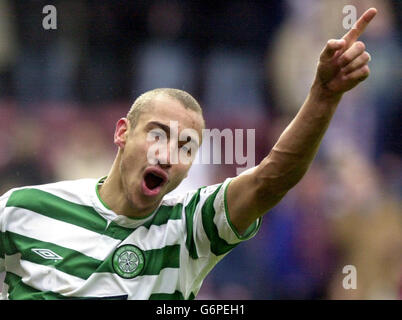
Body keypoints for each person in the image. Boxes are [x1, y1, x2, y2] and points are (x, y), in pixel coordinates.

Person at [0, 9, 377, 300]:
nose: (167, 155)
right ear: (121, 133)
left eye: (185, 147)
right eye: (157, 135)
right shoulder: (23, 209)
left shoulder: (191, 225)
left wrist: (323, 97)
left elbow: (271, 178)